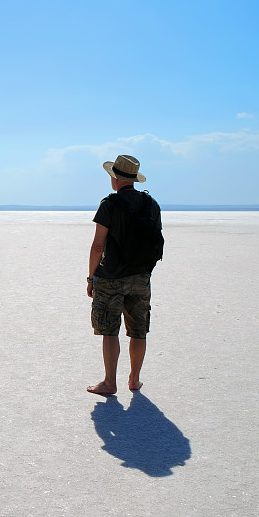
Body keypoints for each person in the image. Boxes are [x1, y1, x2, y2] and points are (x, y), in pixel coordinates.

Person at [86, 155, 162, 396]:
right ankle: (134, 379)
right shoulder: (151, 204)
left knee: (110, 330)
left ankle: (110, 383)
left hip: (110, 278)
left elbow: (98, 246)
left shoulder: (109, 204)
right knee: (138, 330)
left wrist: (91, 278)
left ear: (115, 177)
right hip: (141, 277)